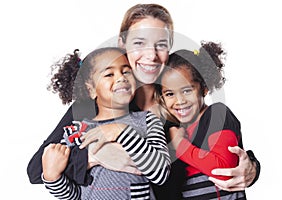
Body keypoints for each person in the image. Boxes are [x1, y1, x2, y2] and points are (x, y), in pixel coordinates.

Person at [27, 3, 260, 198]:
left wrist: (252, 167)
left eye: (160, 45)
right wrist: (92, 157)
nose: (151, 55)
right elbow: (38, 170)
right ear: (122, 43)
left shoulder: (179, 100)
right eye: (139, 43)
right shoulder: (96, 104)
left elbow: (219, 146)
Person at [41, 47, 171, 199]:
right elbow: (75, 195)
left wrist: (121, 132)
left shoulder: (147, 121)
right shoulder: (78, 132)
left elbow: (161, 174)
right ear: (91, 90)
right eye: (109, 74)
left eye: (126, 71)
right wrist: (52, 178)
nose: (121, 78)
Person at [155, 41, 247, 199]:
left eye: (186, 90)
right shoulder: (174, 130)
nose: (180, 100)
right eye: (170, 94)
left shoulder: (217, 115)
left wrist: (180, 145)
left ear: (204, 88)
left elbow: (224, 172)